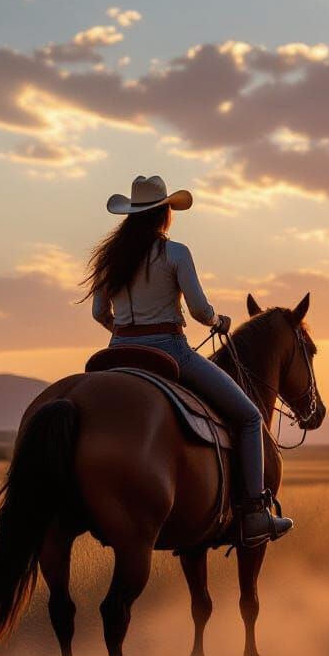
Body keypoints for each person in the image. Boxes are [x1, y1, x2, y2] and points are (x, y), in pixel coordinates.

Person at [82, 174, 292, 548]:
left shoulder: (109, 258)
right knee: (248, 417)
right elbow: (198, 310)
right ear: (164, 214)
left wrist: (123, 328)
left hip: (117, 353)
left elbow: (100, 311)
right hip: (169, 350)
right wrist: (218, 320)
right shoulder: (175, 253)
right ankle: (256, 512)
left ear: (131, 215)